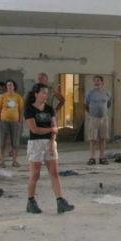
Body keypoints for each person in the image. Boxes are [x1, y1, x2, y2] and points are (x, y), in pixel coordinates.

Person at [24, 83, 74, 214]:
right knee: (35, 174)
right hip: (35, 144)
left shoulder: (49, 109)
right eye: (43, 92)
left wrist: (52, 142)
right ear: (36, 94)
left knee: (54, 173)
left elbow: (55, 127)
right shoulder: (29, 109)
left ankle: (60, 201)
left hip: (49, 143)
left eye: (47, 93)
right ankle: (30, 201)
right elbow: (34, 129)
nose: (46, 95)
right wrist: (51, 129)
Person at [85, 75, 112, 165]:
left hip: (104, 118)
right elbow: (86, 105)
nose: (96, 82)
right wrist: (92, 112)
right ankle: (92, 158)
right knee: (93, 139)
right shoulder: (90, 93)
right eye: (95, 81)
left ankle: (102, 157)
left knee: (103, 138)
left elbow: (108, 104)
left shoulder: (107, 93)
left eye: (98, 80)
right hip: (93, 118)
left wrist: (102, 111)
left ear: (102, 82)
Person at [0, 79, 24, 168]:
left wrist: (20, 121)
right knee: (2, 142)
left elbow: (21, 110)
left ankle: (14, 161)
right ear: (6, 87)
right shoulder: (2, 97)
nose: (9, 86)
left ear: (14, 86)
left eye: (11, 85)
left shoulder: (18, 97)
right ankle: (2, 162)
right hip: (3, 122)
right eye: (8, 85)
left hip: (15, 122)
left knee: (15, 142)